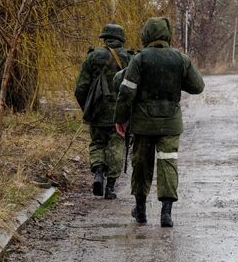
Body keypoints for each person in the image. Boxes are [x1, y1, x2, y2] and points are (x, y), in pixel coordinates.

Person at [114, 17, 204, 227]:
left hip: (143, 123)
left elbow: (126, 92)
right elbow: (198, 86)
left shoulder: (140, 59)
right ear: (167, 35)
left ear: (147, 35)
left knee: (141, 165)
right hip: (170, 123)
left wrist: (120, 119)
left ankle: (141, 210)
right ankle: (166, 213)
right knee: (168, 163)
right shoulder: (180, 59)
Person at [74, 23, 131, 199]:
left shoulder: (93, 57)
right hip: (119, 113)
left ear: (104, 37)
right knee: (116, 145)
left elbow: (80, 88)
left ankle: (98, 172)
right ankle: (110, 187)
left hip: (97, 110)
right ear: (121, 39)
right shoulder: (129, 58)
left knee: (98, 143)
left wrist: (87, 109)